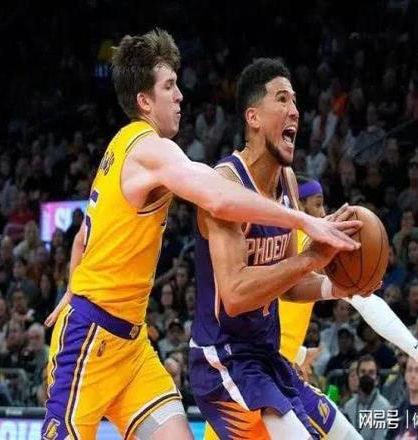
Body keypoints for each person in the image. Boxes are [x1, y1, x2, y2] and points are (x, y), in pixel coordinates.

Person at [42, 30, 358, 440]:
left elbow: (83, 237)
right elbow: (219, 198)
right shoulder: (150, 149)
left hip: (132, 348)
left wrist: (73, 287)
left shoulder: (120, 146)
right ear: (144, 101)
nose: (180, 96)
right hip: (91, 339)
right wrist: (304, 222)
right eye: (169, 86)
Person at [193, 58, 418, 440]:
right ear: (253, 117)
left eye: (295, 101)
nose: (295, 111)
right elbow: (235, 296)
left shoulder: (287, 180)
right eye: (282, 99)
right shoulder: (226, 184)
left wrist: (340, 287)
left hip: (267, 360)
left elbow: (288, 288)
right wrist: (309, 260)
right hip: (223, 359)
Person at [343, 354, 392, 440]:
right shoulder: (348, 407)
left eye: (371, 373)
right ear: (357, 376)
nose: (366, 376)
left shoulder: (384, 408)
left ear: (377, 379)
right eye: (363, 372)